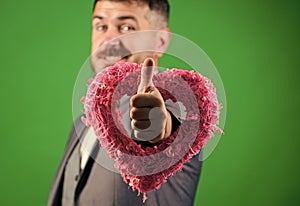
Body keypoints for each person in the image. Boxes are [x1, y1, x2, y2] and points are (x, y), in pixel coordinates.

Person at [48, 0, 202, 205]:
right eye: (101, 27)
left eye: (127, 28)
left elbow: (166, 133)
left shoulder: (177, 108)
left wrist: (157, 128)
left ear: (160, 41)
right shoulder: (81, 126)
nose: (108, 40)